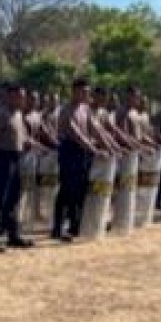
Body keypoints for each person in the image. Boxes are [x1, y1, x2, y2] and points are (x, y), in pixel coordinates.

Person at [0, 83, 33, 253]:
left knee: (14, 197)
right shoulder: (1, 112)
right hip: (2, 157)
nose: (23, 100)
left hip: (16, 157)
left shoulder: (18, 113)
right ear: (11, 97)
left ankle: (13, 234)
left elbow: (20, 135)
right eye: (20, 97)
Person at [51, 79, 101, 241]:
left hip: (83, 152)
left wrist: (111, 147)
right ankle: (58, 228)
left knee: (81, 190)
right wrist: (94, 149)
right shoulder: (66, 110)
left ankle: (75, 225)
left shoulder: (86, 109)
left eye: (87, 92)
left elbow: (96, 129)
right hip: (69, 151)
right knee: (67, 189)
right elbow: (76, 134)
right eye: (84, 92)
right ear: (74, 91)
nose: (87, 95)